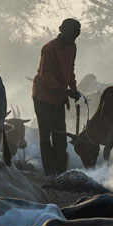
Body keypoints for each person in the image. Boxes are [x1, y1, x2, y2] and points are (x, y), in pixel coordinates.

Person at [32, 18, 82, 176]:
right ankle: (50, 173)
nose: (76, 36)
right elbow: (45, 76)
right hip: (43, 97)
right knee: (46, 136)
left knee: (60, 136)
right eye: (74, 33)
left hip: (59, 98)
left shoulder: (72, 46)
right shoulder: (50, 48)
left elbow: (70, 70)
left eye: (77, 34)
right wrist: (67, 91)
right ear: (64, 31)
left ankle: (61, 173)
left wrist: (74, 89)